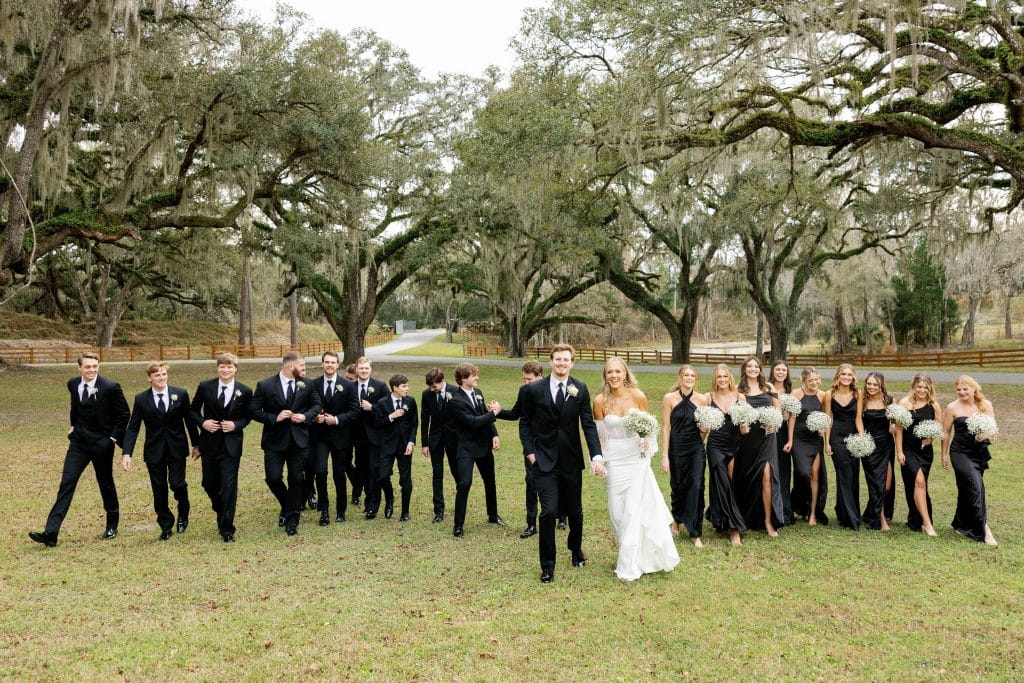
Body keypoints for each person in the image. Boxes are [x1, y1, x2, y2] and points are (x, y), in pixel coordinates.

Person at [518, 344, 603, 583]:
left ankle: (575, 549)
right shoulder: (534, 389)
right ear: (551, 362)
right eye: (557, 359)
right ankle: (547, 565)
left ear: (572, 363)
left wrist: (596, 455)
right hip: (542, 461)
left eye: (566, 360)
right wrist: (530, 452)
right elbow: (524, 423)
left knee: (575, 511)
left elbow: (588, 425)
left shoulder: (580, 389)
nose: (561, 363)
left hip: (571, 461)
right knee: (548, 513)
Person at [29, 352, 131, 547]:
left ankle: (112, 524)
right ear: (79, 368)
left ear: (98, 366)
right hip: (79, 443)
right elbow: (74, 406)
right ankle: (51, 532)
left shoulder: (110, 387)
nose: (91, 370)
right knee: (66, 483)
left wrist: (111, 439)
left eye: (95, 366)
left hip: (102, 443)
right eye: (87, 367)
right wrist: (73, 424)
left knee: (105, 483)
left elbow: (124, 413)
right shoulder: (73, 384)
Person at [591, 357, 679, 581]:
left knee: (632, 511)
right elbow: (601, 438)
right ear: (605, 375)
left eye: (617, 371)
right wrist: (598, 461)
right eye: (610, 372)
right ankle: (633, 552)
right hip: (614, 461)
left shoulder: (638, 396)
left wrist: (647, 442)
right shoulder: (599, 401)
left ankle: (628, 566)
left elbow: (650, 429)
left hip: (636, 461)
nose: (614, 376)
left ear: (625, 373)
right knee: (617, 512)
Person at [120, 362, 200, 540]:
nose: (161, 378)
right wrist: (127, 453)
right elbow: (133, 427)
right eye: (157, 375)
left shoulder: (180, 394)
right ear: (149, 378)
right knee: (159, 489)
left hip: (176, 448)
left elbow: (189, 421)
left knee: (177, 484)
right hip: (154, 451)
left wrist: (196, 444)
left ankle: (183, 510)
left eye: (164, 374)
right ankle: (165, 525)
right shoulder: (141, 399)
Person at [250, 351, 322, 535]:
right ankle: (288, 505)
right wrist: (275, 417)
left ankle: (292, 522)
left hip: (299, 441)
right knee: (273, 478)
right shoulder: (265, 385)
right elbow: (253, 410)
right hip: (274, 441)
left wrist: (305, 416)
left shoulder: (307, 384)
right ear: (291, 367)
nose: (304, 369)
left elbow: (317, 405)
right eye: (302, 366)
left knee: (296, 479)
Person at [188, 352, 252, 542]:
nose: (226, 370)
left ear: (235, 369)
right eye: (222, 367)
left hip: (231, 446)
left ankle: (227, 528)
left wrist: (236, 425)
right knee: (208, 483)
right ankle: (220, 508)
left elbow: (248, 416)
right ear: (218, 368)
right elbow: (192, 411)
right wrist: (203, 423)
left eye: (229, 367)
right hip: (210, 443)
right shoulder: (205, 387)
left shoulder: (245, 391)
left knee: (229, 487)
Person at [448, 362, 505, 537]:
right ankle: (458, 525)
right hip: (466, 447)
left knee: (490, 481)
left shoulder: (478, 393)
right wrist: (494, 413)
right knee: (464, 483)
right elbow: (473, 422)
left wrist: (494, 434)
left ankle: (493, 515)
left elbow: (483, 416)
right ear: (464, 379)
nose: (477, 378)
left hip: (483, 444)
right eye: (473, 376)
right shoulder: (456, 401)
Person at [942, 375, 998, 546]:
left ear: (974, 389)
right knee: (976, 485)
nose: (962, 392)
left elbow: (992, 427)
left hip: (978, 452)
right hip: (959, 453)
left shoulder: (985, 405)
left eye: (965, 389)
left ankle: (960, 524)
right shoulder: (952, 407)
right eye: (958, 389)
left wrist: (984, 435)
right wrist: (943, 454)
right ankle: (984, 529)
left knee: (966, 488)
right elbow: (945, 433)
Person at [493, 360, 545, 538]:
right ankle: (531, 524)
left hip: (552, 444)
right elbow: (516, 415)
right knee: (531, 483)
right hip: (531, 444)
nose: (526, 383)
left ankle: (561, 516)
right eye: (524, 379)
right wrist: (498, 411)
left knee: (556, 482)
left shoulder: (551, 389)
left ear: (540, 376)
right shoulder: (524, 391)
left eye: (529, 379)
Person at [734, 356, 784, 536]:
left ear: (761, 369)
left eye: (756, 366)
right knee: (747, 478)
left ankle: (768, 521)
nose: (753, 369)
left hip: (767, 437)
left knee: (767, 476)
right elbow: (738, 415)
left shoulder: (768, 387)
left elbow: (778, 411)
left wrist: (774, 423)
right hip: (747, 440)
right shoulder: (739, 390)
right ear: (744, 369)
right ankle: (745, 517)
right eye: (749, 366)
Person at [661, 365, 709, 548]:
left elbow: (704, 428)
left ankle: (696, 533)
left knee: (697, 486)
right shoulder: (669, 398)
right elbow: (666, 428)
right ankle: (677, 519)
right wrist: (665, 456)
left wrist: (704, 432)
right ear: (680, 377)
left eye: (692, 375)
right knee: (678, 486)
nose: (689, 378)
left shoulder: (702, 399)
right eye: (686, 375)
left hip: (696, 448)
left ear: (695, 378)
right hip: (676, 448)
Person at [310, 351, 360, 524]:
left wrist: (337, 419)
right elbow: (307, 407)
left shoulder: (348, 386)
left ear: (338, 364)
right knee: (320, 471)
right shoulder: (313, 384)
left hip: (340, 437)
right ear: (322, 364)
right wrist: (314, 417)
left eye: (333, 362)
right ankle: (324, 510)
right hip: (320, 437)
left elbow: (355, 411)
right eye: (326, 362)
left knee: (339, 474)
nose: (329, 365)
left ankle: (341, 511)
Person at [703, 364, 746, 546]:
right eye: (719, 377)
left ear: (730, 378)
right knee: (721, 481)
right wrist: (702, 432)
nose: (722, 380)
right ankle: (734, 528)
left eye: (725, 377)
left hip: (735, 445)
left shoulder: (740, 397)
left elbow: (744, 429)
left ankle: (718, 517)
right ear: (715, 378)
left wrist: (745, 425)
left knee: (729, 484)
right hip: (715, 445)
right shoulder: (708, 397)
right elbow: (703, 425)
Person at [894, 373, 940, 536]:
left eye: (925, 387)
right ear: (914, 386)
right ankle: (927, 524)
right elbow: (898, 430)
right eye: (919, 386)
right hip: (908, 449)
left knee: (919, 485)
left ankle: (916, 520)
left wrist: (931, 438)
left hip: (925, 452)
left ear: (930, 388)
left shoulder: (934, 405)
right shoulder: (904, 403)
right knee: (918, 482)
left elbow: (938, 428)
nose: (922, 390)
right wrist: (899, 452)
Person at [783, 367, 829, 526]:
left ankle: (813, 513)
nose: (814, 383)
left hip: (815, 440)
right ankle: (800, 504)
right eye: (811, 380)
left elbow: (826, 417)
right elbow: (792, 419)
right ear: (804, 381)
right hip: (799, 439)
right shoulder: (796, 394)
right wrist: (790, 441)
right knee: (803, 473)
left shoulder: (823, 395)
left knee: (815, 475)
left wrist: (823, 429)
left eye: (817, 379)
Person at [372, 374, 418, 521]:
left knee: (406, 480)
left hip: (405, 445)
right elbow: (377, 423)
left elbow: (414, 424)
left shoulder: (410, 401)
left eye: (407, 385)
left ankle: (405, 512)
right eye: (404, 386)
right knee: (383, 476)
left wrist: (411, 442)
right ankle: (389, 500)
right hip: (387, 445)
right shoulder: (382, 403)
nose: (407, 388)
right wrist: (391, 416)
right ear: (395, 388)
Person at [856, 371, 895, 531]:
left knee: (886, 485)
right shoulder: (862, 398)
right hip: (869, 446)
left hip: (886, 445)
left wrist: (893, 426)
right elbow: (858, 418)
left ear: (881, 386)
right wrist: (862, 436)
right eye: (869, 384)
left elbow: (894, 420)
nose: (871, 387)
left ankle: (870, 513)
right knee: (875, 484)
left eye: (875, 385)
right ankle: (880, 519)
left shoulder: (889, 400)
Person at [824, 363, 860, 530]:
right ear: (837, 376)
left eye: (849, 375)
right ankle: (850, 517)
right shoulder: (829, 394)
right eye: (843, 374)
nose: (846, 377)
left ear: (853, 377)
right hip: (837, 438)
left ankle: (844, 511)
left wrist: (861, 438)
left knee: (853, 474)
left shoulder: (858, 394)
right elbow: (828, 420)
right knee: (844, 472)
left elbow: (858, 418)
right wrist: (827, 442)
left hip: (853, 438)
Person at [420, 367, 457, 524]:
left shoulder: (456, 391)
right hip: (435, 439)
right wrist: (425, 443)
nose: (431, 389)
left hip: (454, 439)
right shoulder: (426, 394)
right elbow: (424, 419)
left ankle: (460, 504)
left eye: (434, 386)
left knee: (458, 472)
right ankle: (439, 510)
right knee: (437, 473)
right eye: (430, 386)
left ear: (442, 381)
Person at [351, 357, 388, 511]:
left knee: (374, 469)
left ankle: (373, 504)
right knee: (362, 469)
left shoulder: (380, 386)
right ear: (356, 370)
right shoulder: (349, 387)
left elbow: (388, 410)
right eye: (361, 368)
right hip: (357, 437)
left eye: (366, 368)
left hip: (376, 436)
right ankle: (368, 497)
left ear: (370, 369)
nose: (364, 371)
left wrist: (372, 407)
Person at [768, 360, 795, 526]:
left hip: (784, 435)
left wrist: (790, 439)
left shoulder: (790, 392)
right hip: (769, 433)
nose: (781, 372)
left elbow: (793, 418)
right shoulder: (766, 388)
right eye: (778, 369)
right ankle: (769, 510)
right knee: (770, 471)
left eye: (784, 370)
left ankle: (784, 510)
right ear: (772, 371)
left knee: (783, 472)